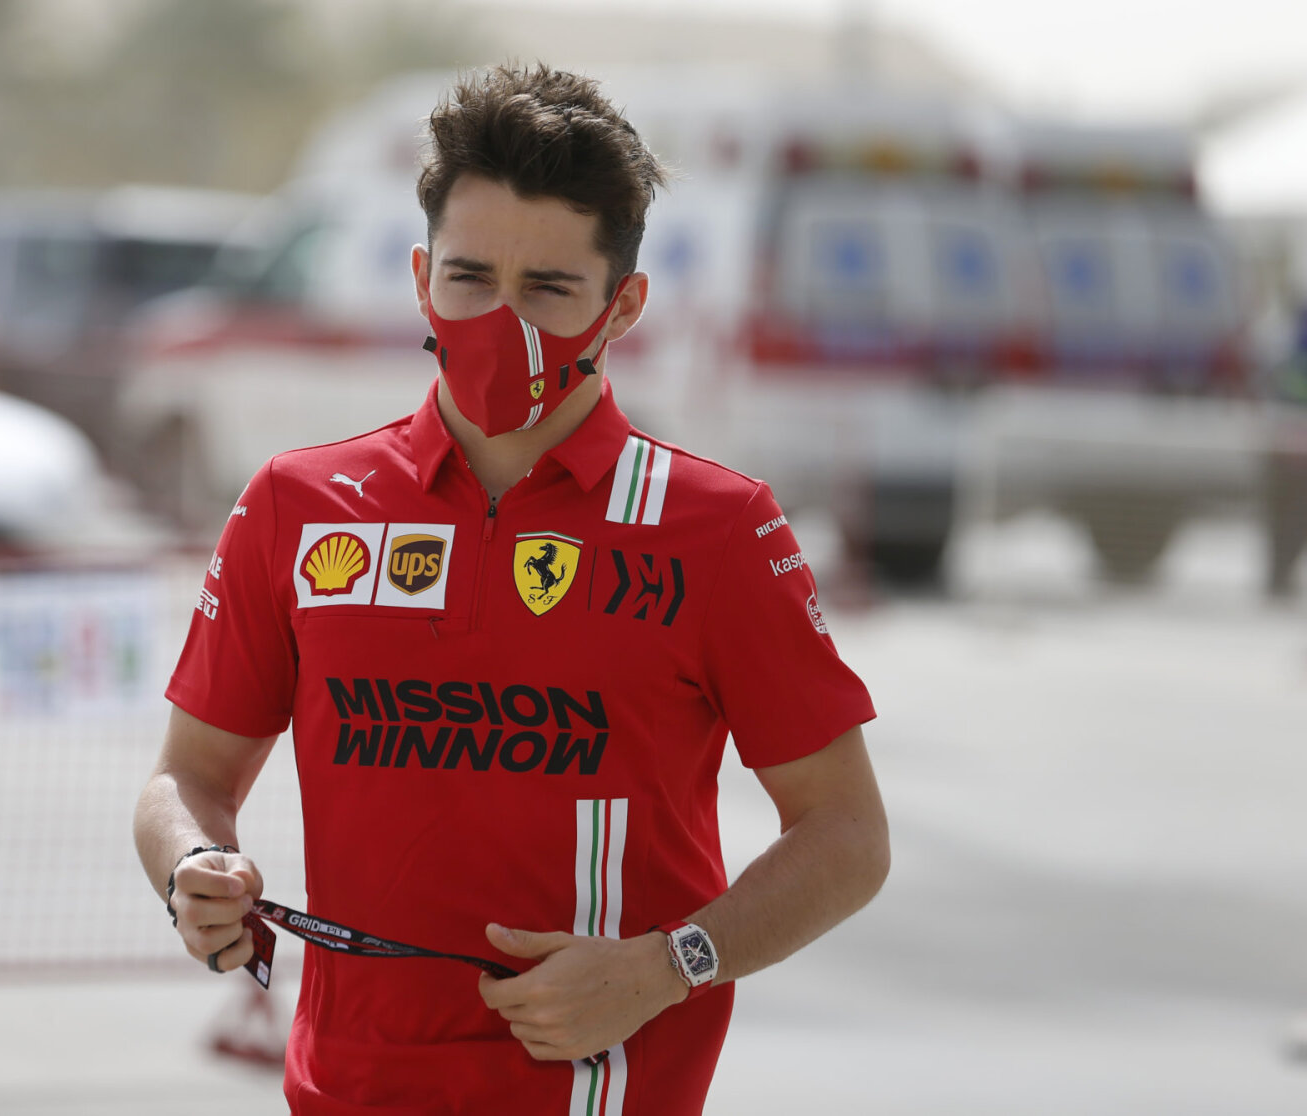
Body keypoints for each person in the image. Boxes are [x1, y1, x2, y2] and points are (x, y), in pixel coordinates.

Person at [134, 62, 889, 1115]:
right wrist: (194, 866)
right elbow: (187, 775)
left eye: (547, 289)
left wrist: (668, 965)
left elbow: (846, 836)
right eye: (469, 278)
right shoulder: (298, 506)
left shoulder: (717, 529)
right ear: (418, 279)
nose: (500, 319)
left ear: (622, 305)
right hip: (341, 1092)